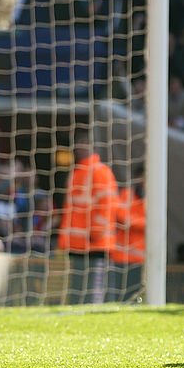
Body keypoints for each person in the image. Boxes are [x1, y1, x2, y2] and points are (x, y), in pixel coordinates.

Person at [57, 128, 118, 304]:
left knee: (94, 286)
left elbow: (106, 204)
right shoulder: (77, 172)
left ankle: (94, 313)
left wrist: (97, 232)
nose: (79, 149)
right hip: (77, 242)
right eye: (77, 146)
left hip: (94, 242)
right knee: (77, 285)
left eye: (83, 145)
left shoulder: (100, 171)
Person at [110, 165, 146, 302]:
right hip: (121, 255)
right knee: (119, 292)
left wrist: (133, 221)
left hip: (141, 257)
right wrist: (138, 222)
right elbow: (121, 216)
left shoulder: (154, 200)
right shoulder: (127, 194)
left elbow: (153, 223)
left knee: (137, 293)